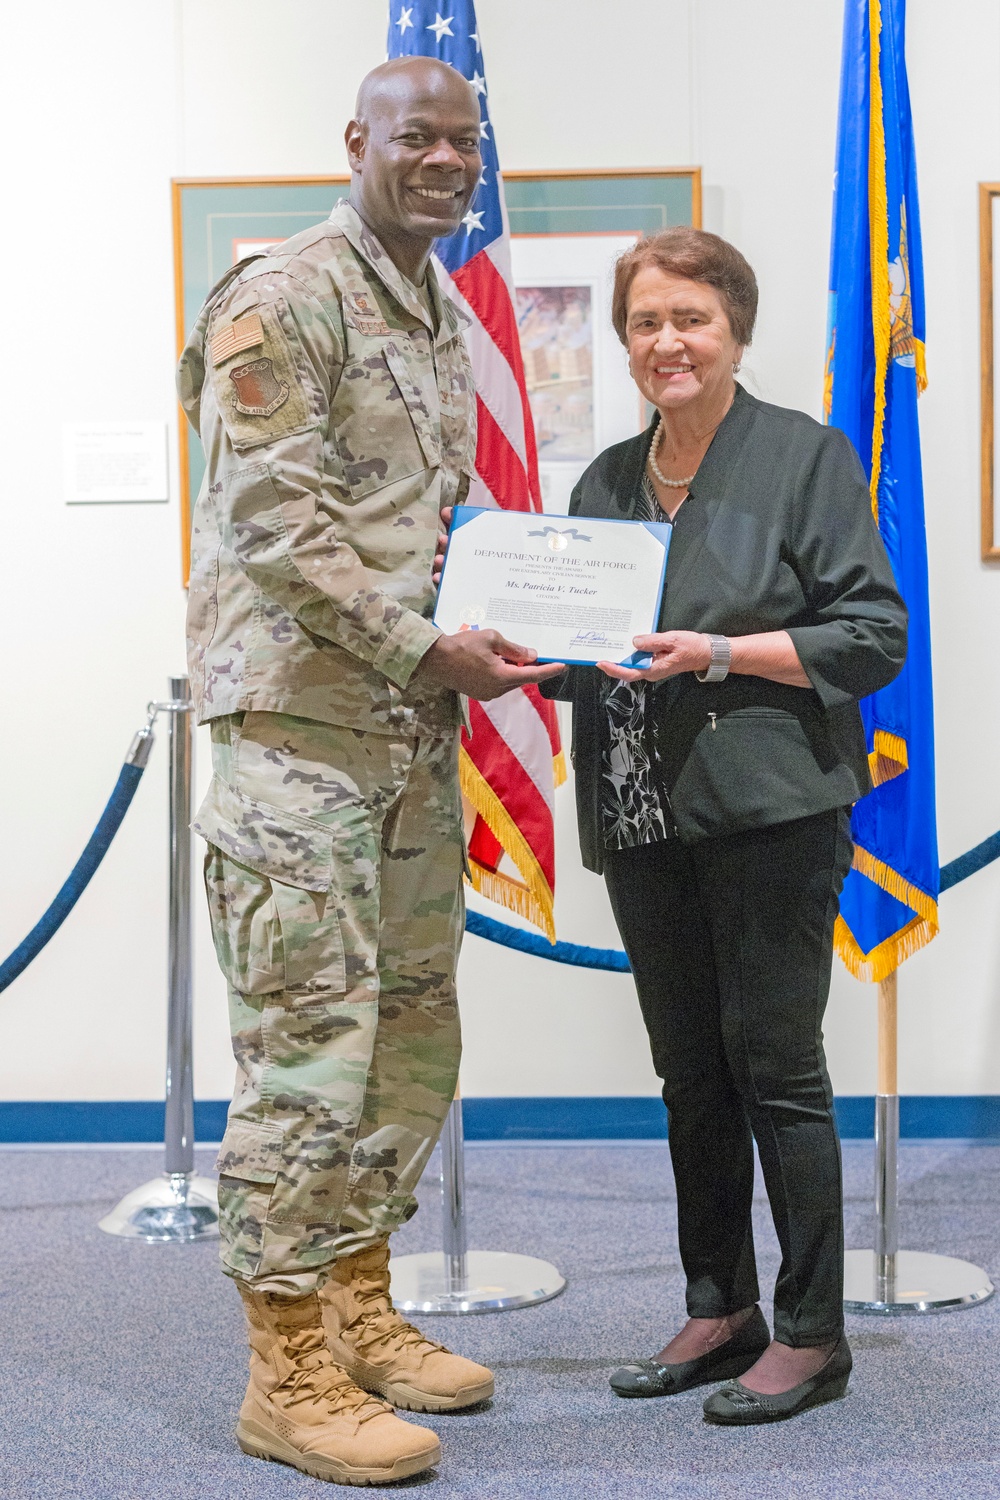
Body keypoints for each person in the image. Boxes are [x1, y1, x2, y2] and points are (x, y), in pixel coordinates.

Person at [177, 56, 563, 1486]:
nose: (448, 161)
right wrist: (425, 646)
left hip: (407, 735)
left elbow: (438, 521)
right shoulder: (284, 293)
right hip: (302, 739)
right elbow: (281, 527)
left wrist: (514, 622)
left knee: (409, 1041)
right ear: (358, 141)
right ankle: (284, 1370)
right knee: (309, 1058)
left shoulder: (439, 308)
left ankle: (357, 1306)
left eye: (466, 140)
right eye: (419, 137)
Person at [540, 228, 907, 1425]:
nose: (667, 342)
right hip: (640, 823)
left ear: (733, 328)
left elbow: (870, 637)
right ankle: (721, 1304)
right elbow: (591, 650)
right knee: (689, 1076)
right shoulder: (603, 481)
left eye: (689, 317)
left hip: (770, 816)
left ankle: (811, 1332)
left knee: (776, 1073)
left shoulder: (803, 458)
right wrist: (510, 651)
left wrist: (719, 652)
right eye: (646, 322)